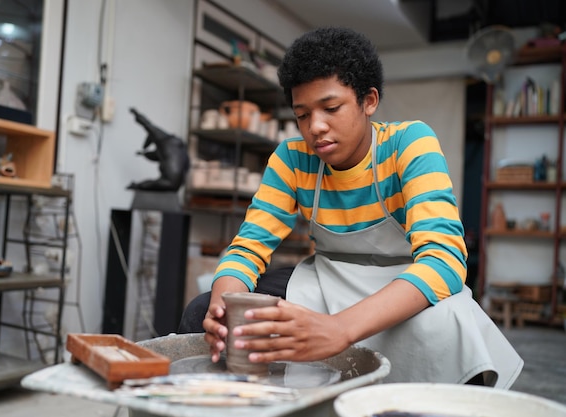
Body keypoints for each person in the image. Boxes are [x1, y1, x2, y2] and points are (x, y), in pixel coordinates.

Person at [179, 27, 523, 388]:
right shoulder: (292, 160)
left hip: (405, 285)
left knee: (451, 334)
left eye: (330, 108)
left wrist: (339, 329)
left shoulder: (410, 144)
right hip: (326, 279)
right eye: (302, 115)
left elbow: (445, 261)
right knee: (201, 310)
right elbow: (248, 249)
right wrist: (222, 308)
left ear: (368, 100)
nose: (316, 127)